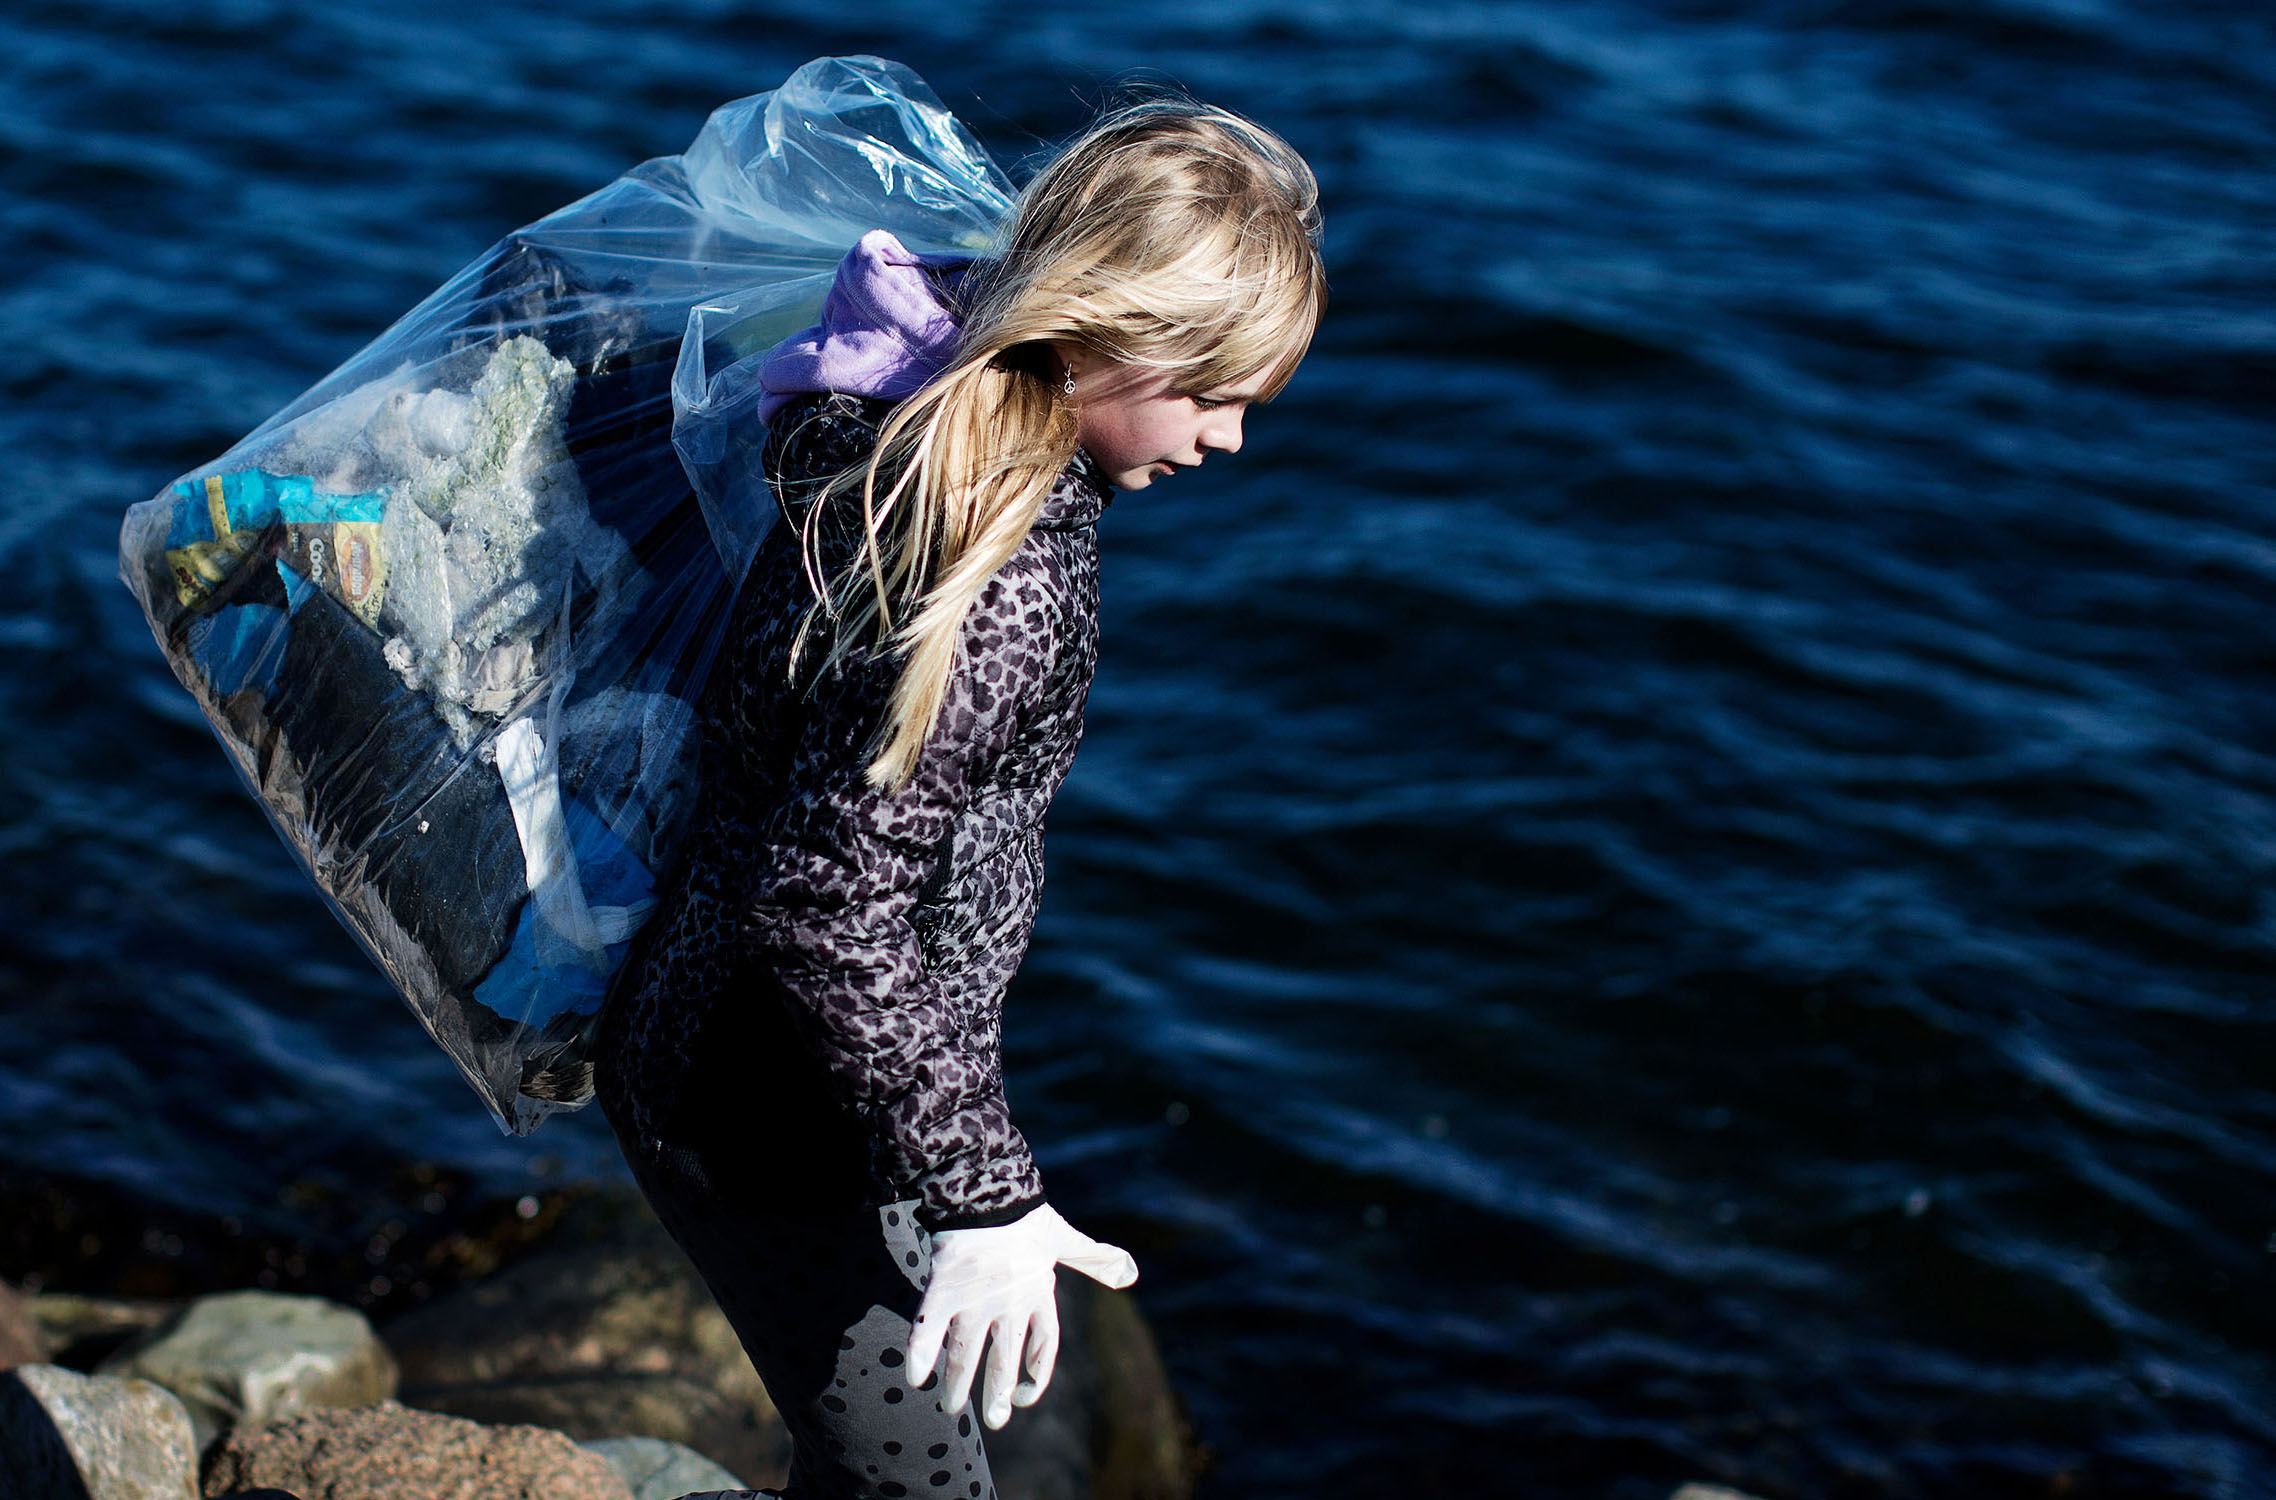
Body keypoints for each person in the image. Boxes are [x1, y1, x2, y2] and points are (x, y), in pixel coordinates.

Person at [595, 91, 1326, 1500]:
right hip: (762, 1112)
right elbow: (825, 906)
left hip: (801, 1071)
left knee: (863, 1458)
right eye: (1216, 391)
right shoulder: (1003, 576)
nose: (1231, 438)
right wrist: (988, 1191)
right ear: (1107, 330)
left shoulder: (905, 405)